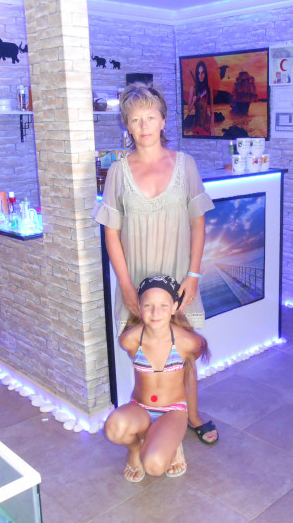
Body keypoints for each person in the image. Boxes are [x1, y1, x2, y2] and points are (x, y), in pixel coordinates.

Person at [92, 82, 220, 446]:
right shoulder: (118, 172)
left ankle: (191, 414)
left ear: (163, 121)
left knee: (185, 352)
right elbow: (112, 234)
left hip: (179, 276)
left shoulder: (185, 165)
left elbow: (198, 224)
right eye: (135, 119)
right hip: (136, 280)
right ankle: (150, 413)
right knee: (144, 351)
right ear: (127, 126)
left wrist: (193, 275)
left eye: (150, 117)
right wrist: (126, 286)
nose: (144, 125)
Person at [103, 275, 210, 482]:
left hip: (172, 411)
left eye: (163, 306)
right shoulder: (130, 340)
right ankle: (135, 449)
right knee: (113, 428)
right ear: (139, 307)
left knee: (154, 466)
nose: (155, 312)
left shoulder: (186, 341)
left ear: (174, 307)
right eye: (148, 305)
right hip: (140, 407)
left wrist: (182, 367)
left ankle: (171, 441)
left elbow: (198, 351)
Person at [188, 61, 214, 136]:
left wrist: (212, 129)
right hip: (196, 127)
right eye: (199, 73)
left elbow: (212, 111)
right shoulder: (193, 89)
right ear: (197, 74)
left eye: (202, 73)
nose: (200, 75)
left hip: (206, 127)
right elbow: (189, 109)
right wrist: (193, 101)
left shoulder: (209, 90)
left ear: (205, 74)